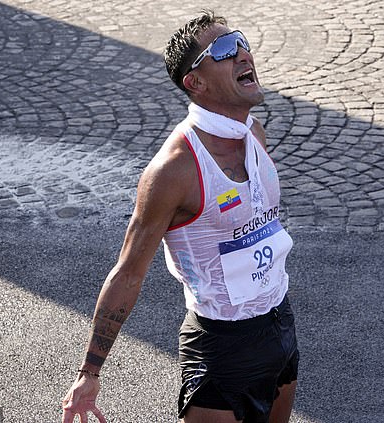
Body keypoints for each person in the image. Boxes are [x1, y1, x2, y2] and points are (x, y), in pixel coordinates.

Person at [60, 10, 299, 423]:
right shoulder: (175, 170)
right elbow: (128, 271)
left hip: (280, 326)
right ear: (196, 82)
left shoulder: (254, 135)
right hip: (222, 347)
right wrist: (89, 373)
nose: (243, 53)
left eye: (240, 40)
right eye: (224, 49)